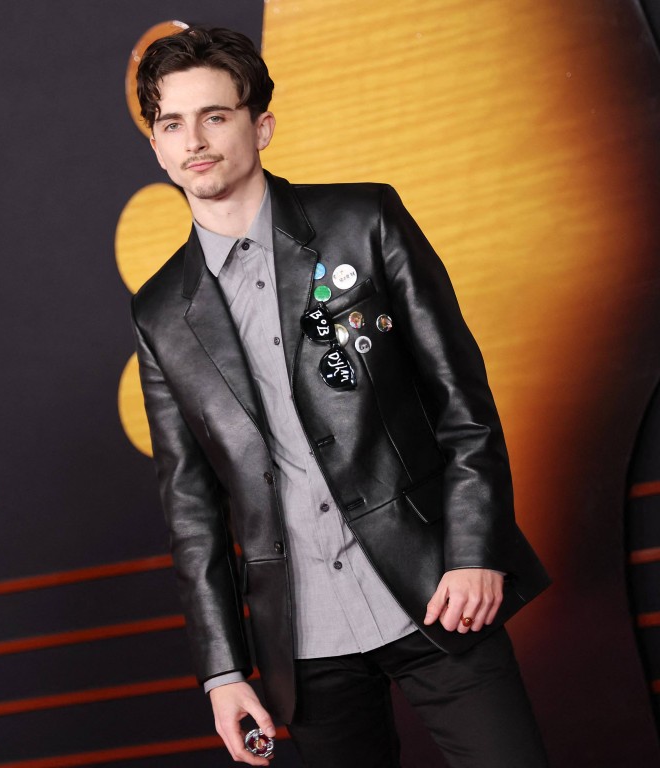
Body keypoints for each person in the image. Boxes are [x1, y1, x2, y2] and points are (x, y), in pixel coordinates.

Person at [131, 25, 550, 768]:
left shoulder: (365, 220)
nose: (193, 139)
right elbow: (190, 509)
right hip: (304, 642)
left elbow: (462, 401)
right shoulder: (160, 310)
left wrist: (473, 550)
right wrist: (223, 672)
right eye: (171, 123)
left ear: (260, 125)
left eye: (215, 115)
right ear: (157, 147)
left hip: (438, 589)